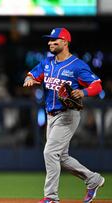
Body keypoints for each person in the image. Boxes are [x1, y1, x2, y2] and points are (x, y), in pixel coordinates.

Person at [23, 28, 105, 203]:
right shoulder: (47, 63)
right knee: (61, 157)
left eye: (55, 40)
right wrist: (29, 79)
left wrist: (83, 92)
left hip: (68, 114)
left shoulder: (77, 65)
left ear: (65, 42)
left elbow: (97, 85)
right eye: (49, 40)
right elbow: (32, 74)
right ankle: (93, 180)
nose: (50, 43)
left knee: (50, 152)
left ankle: (51, 197)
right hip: (50, 115)